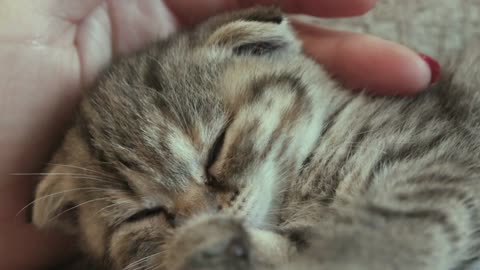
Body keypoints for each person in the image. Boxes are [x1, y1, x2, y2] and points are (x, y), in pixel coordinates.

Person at [0, 0, 440, 269]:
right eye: (138, 216)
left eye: (214, 154)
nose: (198, 215)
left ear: (258, 50)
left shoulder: (361, 142)